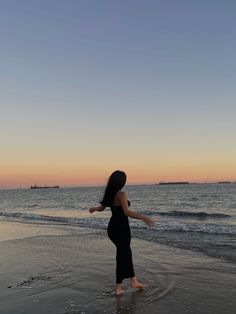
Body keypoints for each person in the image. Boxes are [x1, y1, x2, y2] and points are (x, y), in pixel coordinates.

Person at [89, 170, 155, 296]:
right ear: (122, 182)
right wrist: (144, 218)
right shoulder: (122, 194)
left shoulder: (109, 193)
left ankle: (134, 281)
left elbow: (102, 208)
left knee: (126, 252)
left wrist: (93, 209)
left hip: (112, 228)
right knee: (122, 255)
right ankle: (118, 287)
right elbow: (126, 212)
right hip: (122, 229)